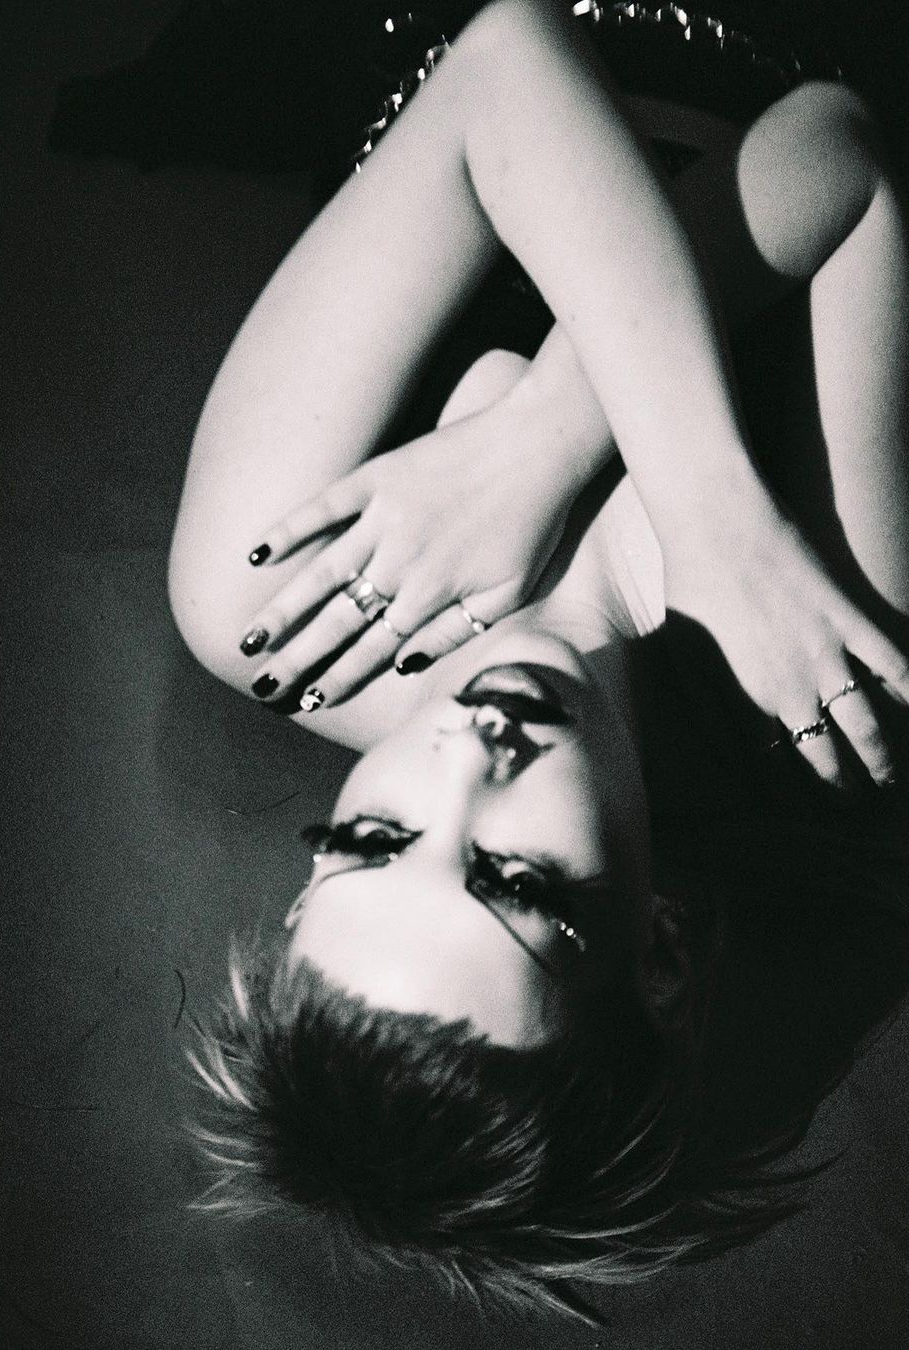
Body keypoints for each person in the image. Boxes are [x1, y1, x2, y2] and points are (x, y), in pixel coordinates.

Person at [167, 0, 909, 1321]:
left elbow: (508, 55)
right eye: (515, 882)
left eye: (374, 840)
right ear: (660, 950)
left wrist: (540, 449)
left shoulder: (264, 607)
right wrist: (709, 518)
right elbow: (837, 151)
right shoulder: (814, 685)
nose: (469, 757)